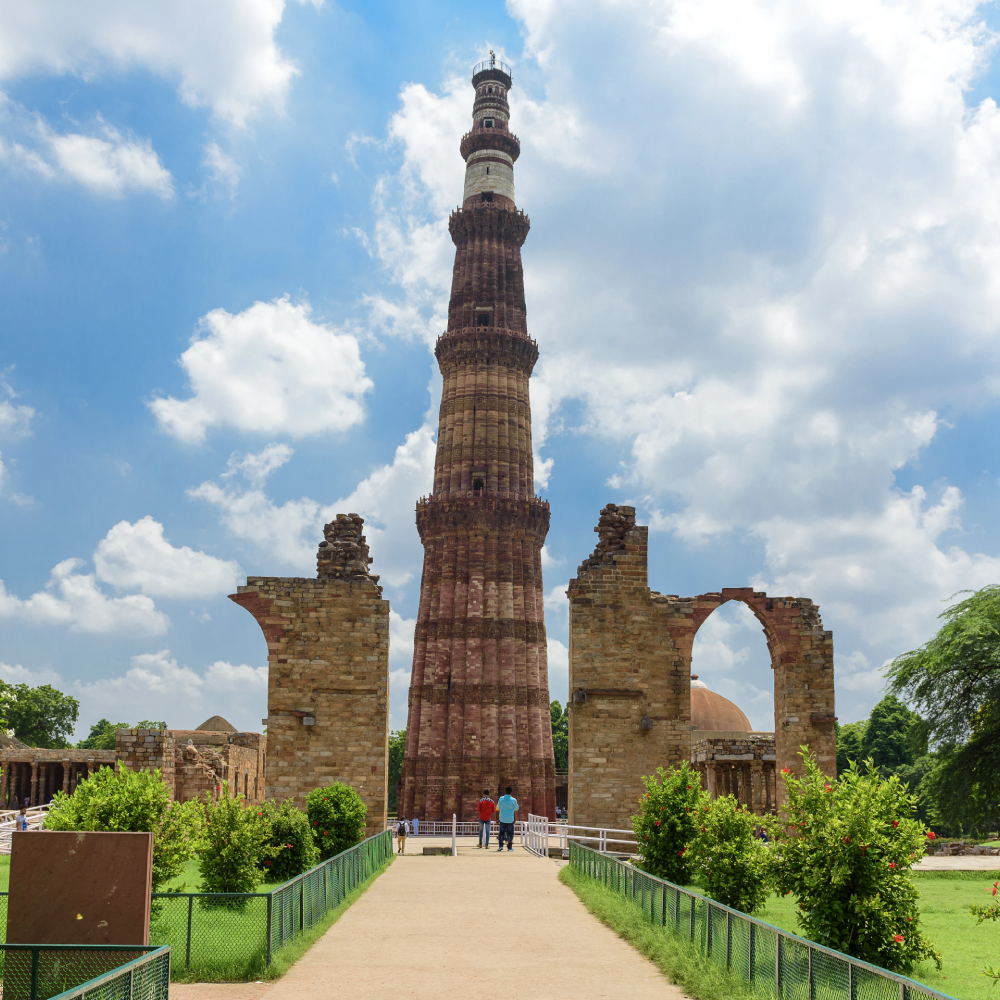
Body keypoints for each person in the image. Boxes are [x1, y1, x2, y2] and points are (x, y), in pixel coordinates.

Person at [496, 786, 518, 852]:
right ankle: (509, 847)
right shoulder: (513, 800)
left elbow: (498, 807)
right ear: (511, 792)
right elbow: (516, 808)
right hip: (510, 819)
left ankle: (500, 846)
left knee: (501, 833)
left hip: (502, 818)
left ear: (505, 791)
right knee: (509, 833)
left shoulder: (501, 799)